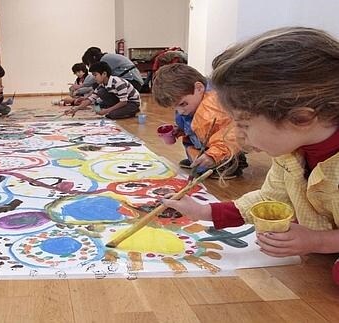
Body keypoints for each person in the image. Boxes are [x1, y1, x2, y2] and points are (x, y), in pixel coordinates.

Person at [161, 27, 339, 285]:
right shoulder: (291, 152)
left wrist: (319, 241)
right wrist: (204, 211)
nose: (238, 135)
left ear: (301, 117)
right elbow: (269, 198)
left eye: (243, 124)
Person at [151, 63, 248, 179]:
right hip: (206, 143)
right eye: (175, 108)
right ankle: (201, 161)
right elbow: (192, 127)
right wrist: (180, 130)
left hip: (227, 145)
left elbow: (232, 135)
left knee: (224, 151)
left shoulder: (211, 109)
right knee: (197, 157)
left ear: (199, 88)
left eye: (183, 104)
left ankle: (230, 164)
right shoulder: (193, 104)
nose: (180, 111)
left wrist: (212, 155)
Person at [65, 61, 140, 119]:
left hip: (131, 102)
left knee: (111, 114)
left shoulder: (118, 82)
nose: (94, 78)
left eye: (95, 75)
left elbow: (123, 101)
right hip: (119, 101)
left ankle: (133, 111)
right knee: (101, 93)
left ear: (104, 74)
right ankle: (114, 109)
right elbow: (91, 99)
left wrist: (107, 111)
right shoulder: (101, 85)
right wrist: (76, 108)